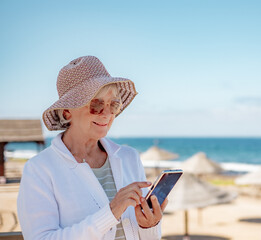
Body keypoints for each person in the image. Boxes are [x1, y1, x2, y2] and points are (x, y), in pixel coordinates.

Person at [17, 56, 167, 240]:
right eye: (96, 104)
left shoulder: (130, 157)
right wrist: (111, 212)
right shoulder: (39, 169)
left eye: (113, 104)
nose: (107, 113)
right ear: (67, 112)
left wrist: (149, 225)